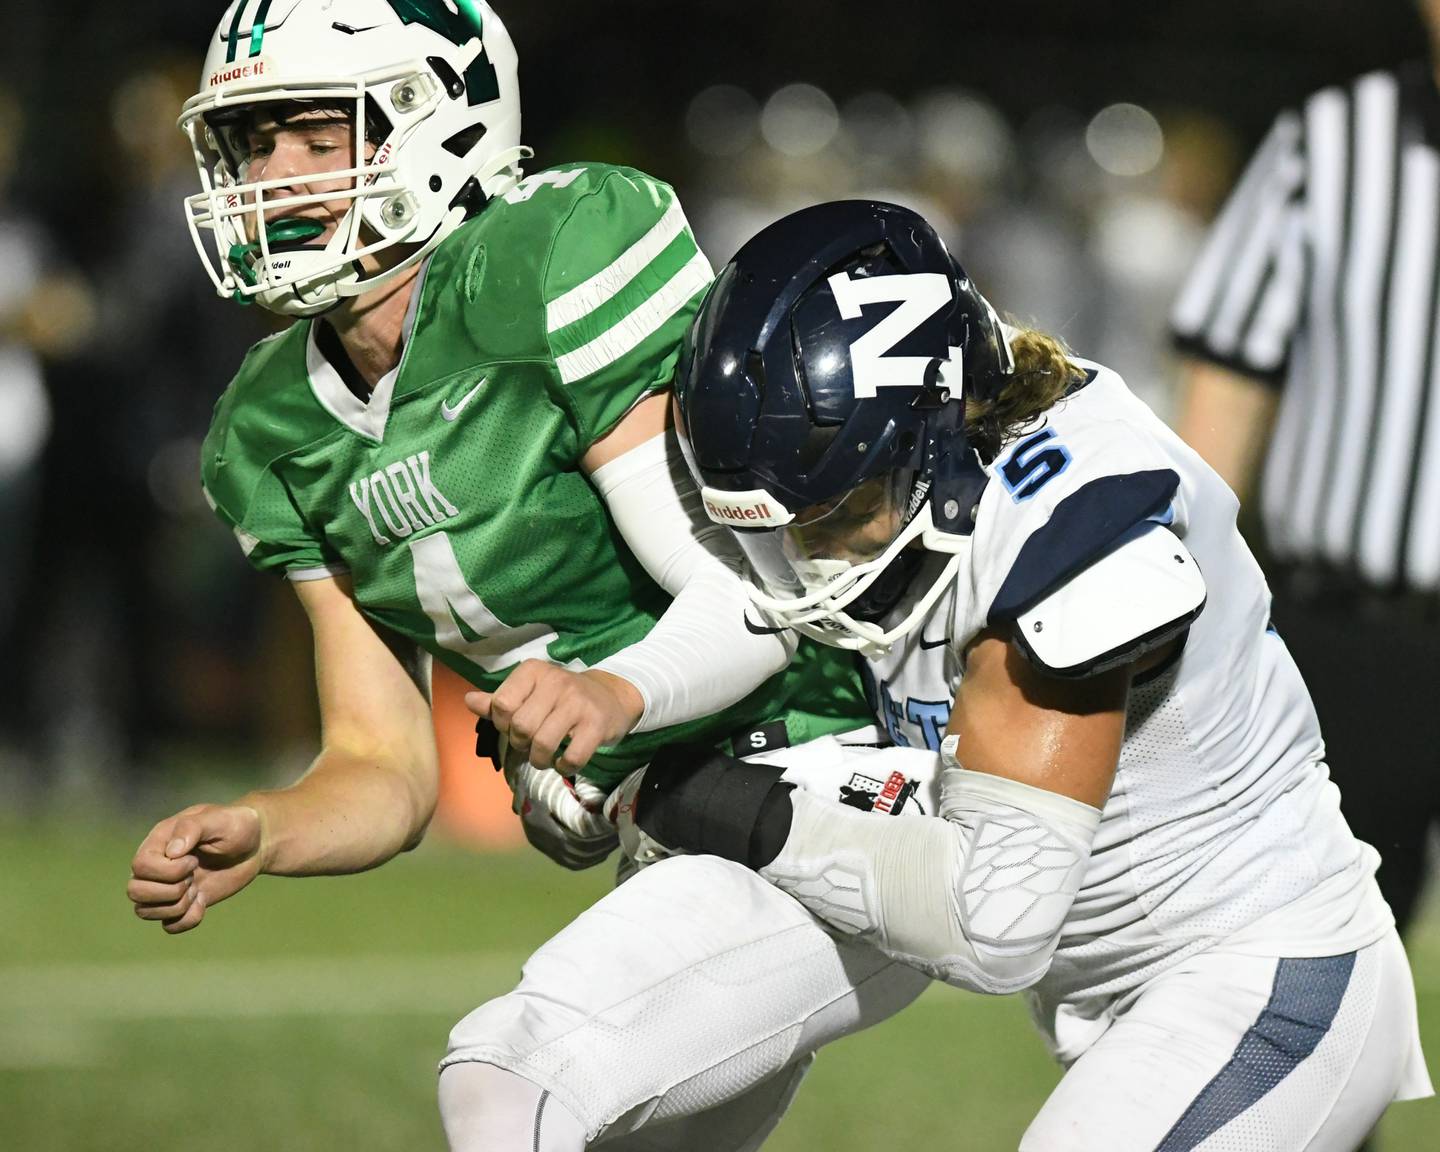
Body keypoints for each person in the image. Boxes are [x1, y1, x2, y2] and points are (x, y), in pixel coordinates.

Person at [126, 3, 945, 1149]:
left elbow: (759, 602)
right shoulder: (266, 431)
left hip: (838, 788)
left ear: (435, 126)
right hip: (684, 833)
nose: (277, 175)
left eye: (317, 135)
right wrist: (267, 829)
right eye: (254, 143)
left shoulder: (549, 255)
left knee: (510, 1077)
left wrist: (607, 703)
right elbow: (381, 766)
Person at [612, 199, 1432, 1150]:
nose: (812, 558)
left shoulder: (1070, 529)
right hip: (1141, 995)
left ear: (937, 436)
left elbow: (994, 921)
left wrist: (717, 803)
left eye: (838, 510)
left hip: (1265, 979)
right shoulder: (926, 483)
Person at [1170, 6, 1440, 947]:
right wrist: (1185, 602)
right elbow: (1228, 377)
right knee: (1310, 964)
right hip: (1355, 637)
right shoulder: (1328, 143)